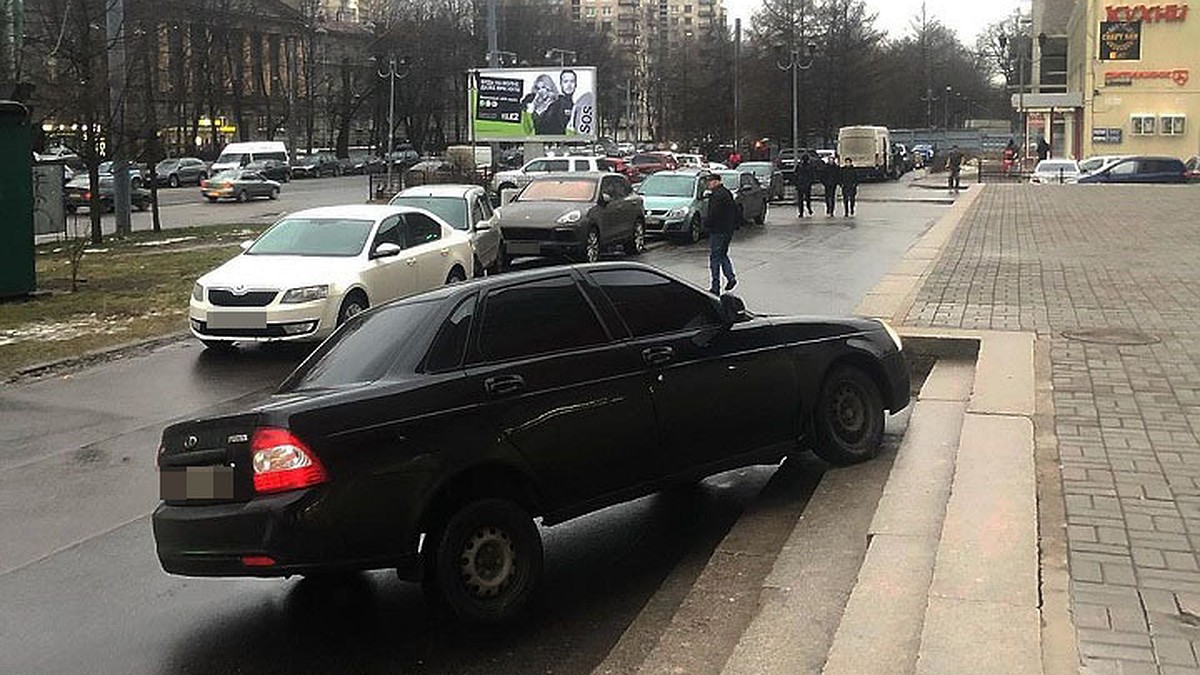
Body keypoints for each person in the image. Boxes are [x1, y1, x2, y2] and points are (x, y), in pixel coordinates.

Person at [702, 173, 738, 294]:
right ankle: (730, 277)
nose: (709, 184)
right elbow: (735, 210)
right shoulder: (727, 193)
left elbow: (714, 214)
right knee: (723, 254)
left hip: (718, 230)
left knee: (715, 258)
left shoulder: (717, 195)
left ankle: (715, 286)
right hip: (728, 230)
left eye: (710, 182)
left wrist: (706, 224)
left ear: (717, 181)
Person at [794, 152, 815, 217]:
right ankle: (806, 210)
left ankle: (802, 212)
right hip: (805, 185)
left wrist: (796, 183)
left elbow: (795, 175)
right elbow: (812, 176)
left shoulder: (800, 166)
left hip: (802, 184)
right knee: (806, 199)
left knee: (801, 200)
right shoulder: (808, 166)